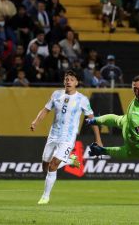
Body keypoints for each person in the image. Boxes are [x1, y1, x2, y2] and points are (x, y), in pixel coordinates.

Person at [30, 70, 101, 205]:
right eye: (66, 79)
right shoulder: (56, 94)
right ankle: (69, 161)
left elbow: (92, 119)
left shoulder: (82, 100)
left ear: (76, 83)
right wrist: (35, 122)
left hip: (68, 137)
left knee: (53, 164)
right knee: (45, 166)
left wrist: (98, 139)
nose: (68, 81)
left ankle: (45, 196)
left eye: (71, 79)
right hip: (53, 135)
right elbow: (45, 110)